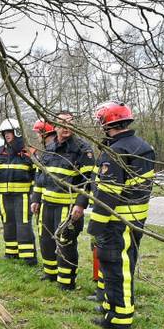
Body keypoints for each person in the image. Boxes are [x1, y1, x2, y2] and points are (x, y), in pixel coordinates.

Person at [88, 101, 155, 329]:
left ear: (108, 124)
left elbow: (107, 194)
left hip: (117, 221)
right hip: (136, 218)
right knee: (123, 263)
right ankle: (110, 305)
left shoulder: (115, 151)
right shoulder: (143, 146)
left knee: (116, 266)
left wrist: (94, 226)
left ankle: (119, 318)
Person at [30, 112, 95, 290]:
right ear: (54, 126)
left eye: (69, 123)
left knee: (65, 242)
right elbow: (40, 176)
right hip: (47, 205)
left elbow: (88, 181)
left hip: (68, 207)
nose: (66, 127)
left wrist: (80, 204)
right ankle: (50, 273)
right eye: (61, 124)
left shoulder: (83, 149)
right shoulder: (49, 149)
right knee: (46, 240)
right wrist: (36, 198)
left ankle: (66, 282)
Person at [0, 119, 37, 265]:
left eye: (9, 132)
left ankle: (28, 258)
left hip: (23, 196)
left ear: (17, 132)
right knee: (8, 223)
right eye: (4, 133)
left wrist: (34, 194)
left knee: (23, 225)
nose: (6, 135)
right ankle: (11, 253)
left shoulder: (29, 153)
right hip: (4, 196)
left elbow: (37, 175)